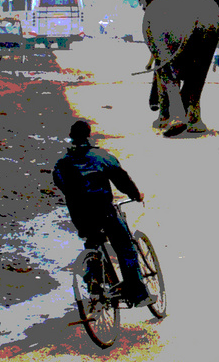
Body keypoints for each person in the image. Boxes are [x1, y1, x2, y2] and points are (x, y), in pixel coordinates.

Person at [52, 120, 151, 306]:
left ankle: (95, 284)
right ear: (89, 135)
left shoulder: (61, 164)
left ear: (71, 137)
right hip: (104, 212)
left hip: (80, 215)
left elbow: (62, 186)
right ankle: (137, 294)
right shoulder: (101, 156)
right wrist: (136, 195)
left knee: (93, 243)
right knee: (125, 246)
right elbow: (122, 180)